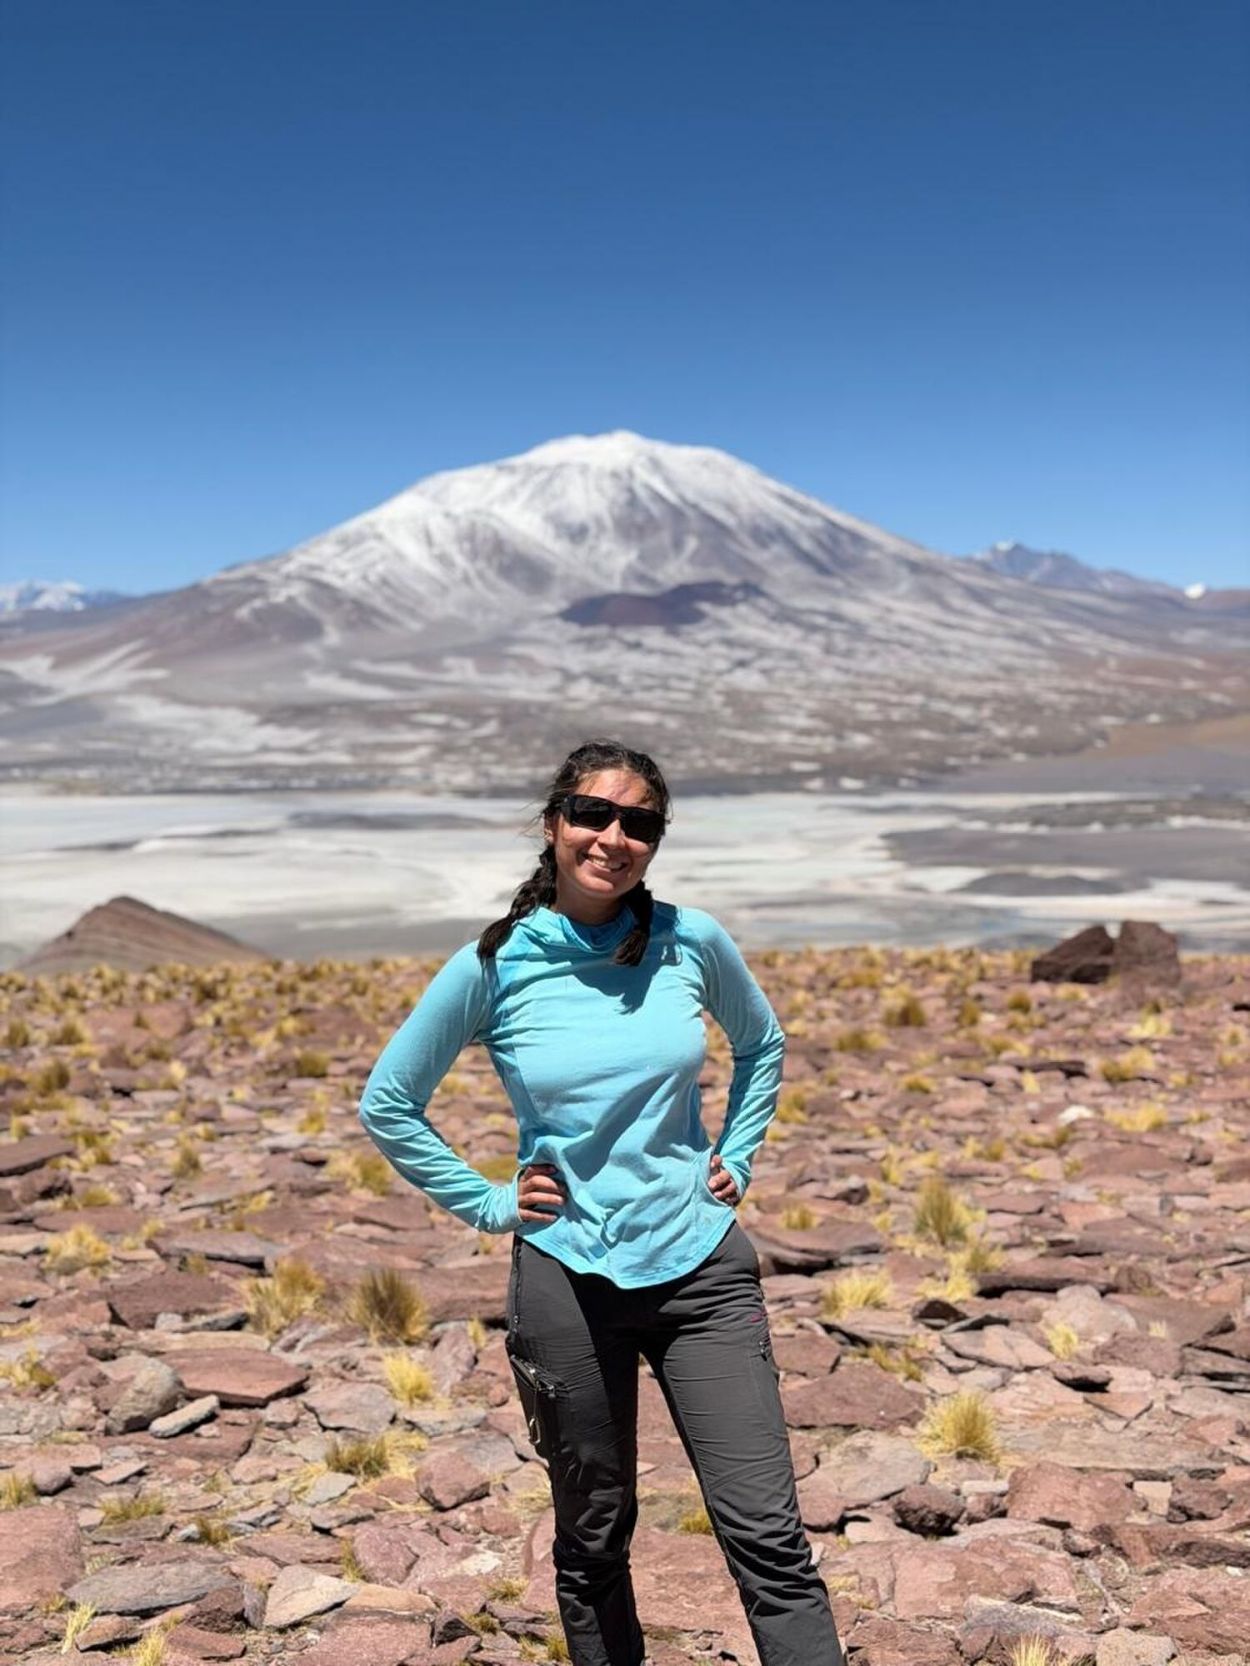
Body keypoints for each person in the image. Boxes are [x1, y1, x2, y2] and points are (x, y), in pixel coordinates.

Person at [359, 739, 844, 1666]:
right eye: (593, 813)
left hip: (701, 1270)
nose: (613, 837)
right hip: (566, 1280)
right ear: (554, 824)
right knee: (592, 1537)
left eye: (639, 823)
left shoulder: (689, 939)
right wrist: (490, 1204)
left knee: (768, 1538)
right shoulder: (495, 963)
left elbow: (763, 1043)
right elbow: (389, 1102)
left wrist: (737, 1153)